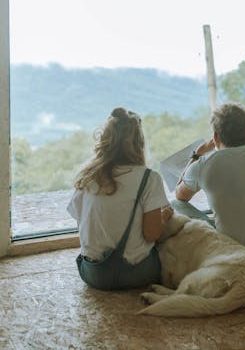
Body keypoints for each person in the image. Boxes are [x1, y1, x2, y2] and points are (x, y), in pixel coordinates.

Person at [67, 107, 173, 290]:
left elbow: (80, 219)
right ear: (139, 143)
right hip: (137, 274)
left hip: (93, 274)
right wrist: (164, 217)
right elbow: (152, 234)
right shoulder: (149, 178)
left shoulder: (87, 176)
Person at [173, 103, 245, 271]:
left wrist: (197, 155)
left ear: (215, 137)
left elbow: (180, 195)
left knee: (175, 205)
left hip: (237, 260)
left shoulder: (205, 164)